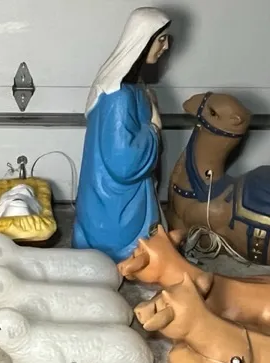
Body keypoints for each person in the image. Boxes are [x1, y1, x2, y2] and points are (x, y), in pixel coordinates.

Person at [71, 7, 172, 263]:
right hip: (115, 204)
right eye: (161, 39)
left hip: (119, 196)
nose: (166, 46)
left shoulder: (131, 86)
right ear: (143, 41)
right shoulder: (118, 97)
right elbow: (124, 163)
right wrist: (154, 128)